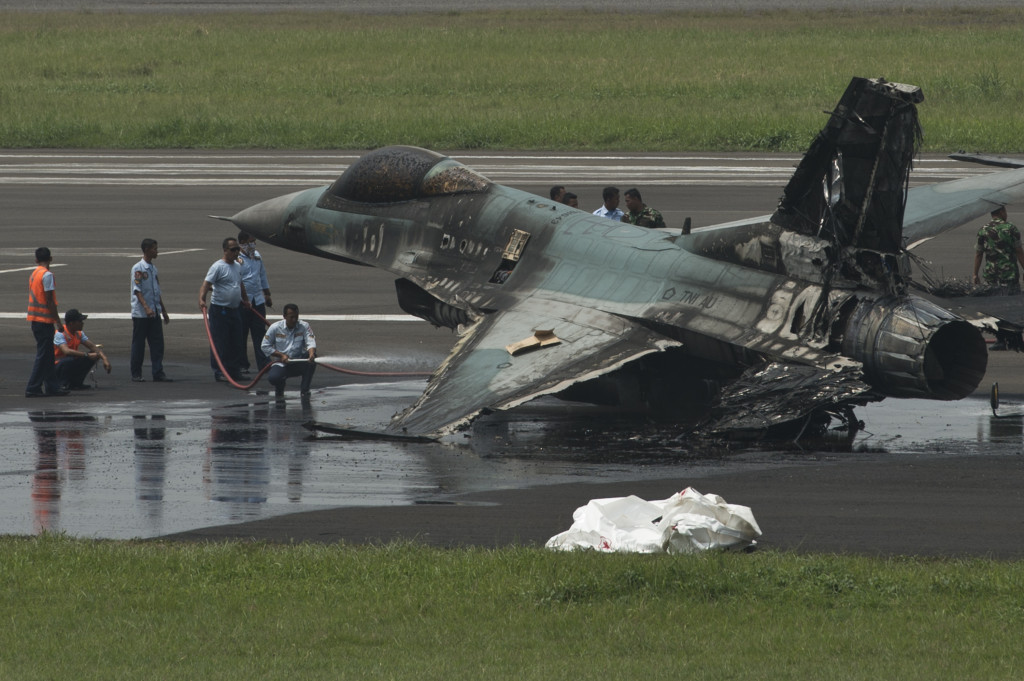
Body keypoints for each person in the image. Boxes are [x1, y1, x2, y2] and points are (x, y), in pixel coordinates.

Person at [198, 237, 249, 383]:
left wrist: (245, 300)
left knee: (236, 341)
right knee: (220, 342)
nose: (236, 252)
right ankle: (219, 371)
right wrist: (201, 299)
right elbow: (206, 284)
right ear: (225, 250)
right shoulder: (217, 266)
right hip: (220, 310)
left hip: (235, 309)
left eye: (237, 249)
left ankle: (234, 371)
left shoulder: (238, 266)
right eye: (233, 250)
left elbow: (240, 284)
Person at [26, 247, 67, 398]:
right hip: (44, 321)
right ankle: (33, 387)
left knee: (48, 356)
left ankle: (52, 386)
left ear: (36, 260)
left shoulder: (34, 274)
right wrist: (58, 322)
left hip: (36, 320)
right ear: (51, 259)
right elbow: (49, 301)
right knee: (43, 356)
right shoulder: (47, 275)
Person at [130, 238, 172, 382]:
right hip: (142, 314)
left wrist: (163, 311)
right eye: (154, 248)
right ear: (147, 250)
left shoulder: (153, 269)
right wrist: (146, 307)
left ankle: (158, 372)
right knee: (139, 344)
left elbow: (157, 291)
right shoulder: (138, 268)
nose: (157, 251)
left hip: (154, 312)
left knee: (157, 344)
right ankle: (136, 373)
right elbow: (137, 290)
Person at [261, 303, 317, 399]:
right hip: (281, 363)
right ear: (284, 317)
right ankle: (279, 389)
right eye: (291, 317)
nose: (294, 320)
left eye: (296, 317)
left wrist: (311, 354)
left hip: (298, 361)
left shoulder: (304, 326)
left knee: (312, 359)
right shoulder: (275, 327)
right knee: (273, 378)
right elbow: (265, 346)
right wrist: (281, 355)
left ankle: (305, 391)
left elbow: (311, 341)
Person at [237, 231, 273, 374]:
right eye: (251, 241)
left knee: (260, 334)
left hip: (257, 300)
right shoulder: (236, 260)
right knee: (241, 334)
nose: (254, 244)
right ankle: (241, 364)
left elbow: (262, 275)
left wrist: (267, 294)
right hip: (243, 303)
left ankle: (263, 363)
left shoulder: (257, 256)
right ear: (243, 242)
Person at [54, 309, 111, 390]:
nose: (82, 323)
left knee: (93, 355)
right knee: (71, 359)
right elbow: (66, 351)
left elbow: (94, 348)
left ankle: (76, 383)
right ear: (71, 323)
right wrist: (87, 355)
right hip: (56, 366)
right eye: (80, 321)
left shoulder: (78, 333)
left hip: (69, 362)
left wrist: (104, 359)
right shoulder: (60, 333)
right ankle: (61, 383)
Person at [973, 206, 1024, 295]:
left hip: (991, 275)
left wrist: (975, 274)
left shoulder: (983, 230)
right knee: (1012, 301)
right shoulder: (1011, 228)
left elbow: (978, 254)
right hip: (1009, 274)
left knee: (993, 301)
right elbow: (1019, 251)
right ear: (1001, 212)